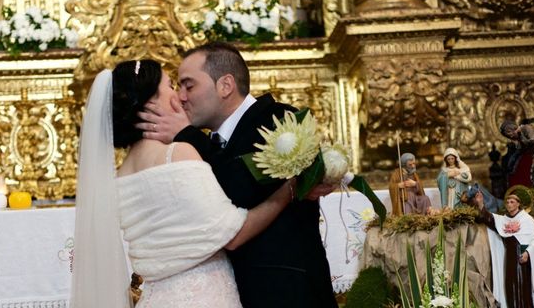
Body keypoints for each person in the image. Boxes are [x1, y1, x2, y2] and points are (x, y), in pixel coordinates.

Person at [70, 59, 297, 308]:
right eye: (170, 85)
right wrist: (286, 192)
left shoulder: (119, 177)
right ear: (152, 102)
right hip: (204, 297)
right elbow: (232, 233)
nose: (179, 95)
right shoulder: (178, 153)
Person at [137, 42, 337, 308]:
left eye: (189, 85)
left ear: (225, 85)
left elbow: (238, 191)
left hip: (287, 292)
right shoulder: (207, 142)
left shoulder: (280, 121)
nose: (181, 96)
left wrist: (186, 135)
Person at [474, 188, 534, 307]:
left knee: (523, 287)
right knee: (510, 287)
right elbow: (488, 218)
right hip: (510, 259)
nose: (509, 204)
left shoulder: (527, 219)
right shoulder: (503, 220)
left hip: (524, 259)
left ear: (518, 204)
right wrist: (481, 203)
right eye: (507, 202)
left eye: (512, 202)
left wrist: (528, 253)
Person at [500, 119, 534, 189]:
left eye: (509, 133)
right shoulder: (519, 135)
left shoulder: (526, 128)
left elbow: (532, 140)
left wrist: (522, 139)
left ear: (512, 128)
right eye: (507, 136)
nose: (510, 136)